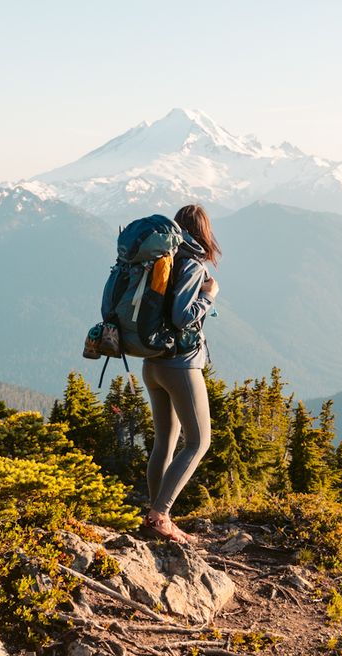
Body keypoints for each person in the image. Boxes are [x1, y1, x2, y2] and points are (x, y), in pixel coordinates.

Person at [141, 205, 221, 543]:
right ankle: (160, 515)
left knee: (166, 441)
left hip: (152, 363)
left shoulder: (162, 258)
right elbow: (181, 315)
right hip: (180, 366)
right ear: (203, 231)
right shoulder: (190, 261)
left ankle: (154, 515)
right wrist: (208, 296)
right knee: (199, 441)